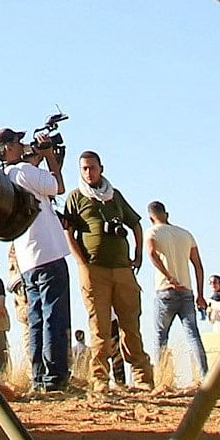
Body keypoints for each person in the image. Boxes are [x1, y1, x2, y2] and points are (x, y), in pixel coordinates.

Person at [0, 127, 72, 391]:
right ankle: (55, 377)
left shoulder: (6, 177)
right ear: (9, 149)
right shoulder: (24, 172)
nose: (23, 143)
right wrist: (49, 156)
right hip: (48, 252)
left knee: (37, 318)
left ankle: (39, 376)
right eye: (18, 141)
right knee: (54, 316)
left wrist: (35, 159)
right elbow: (57, 187)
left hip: (27, 259)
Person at [62, 150, 149, 388]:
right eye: (84, 168)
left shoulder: (115, 196)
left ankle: (142, 377)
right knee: (99, 327)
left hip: (122, 268)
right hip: (94, 269)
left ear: (101, 168)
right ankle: (100, 378)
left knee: (130, 324)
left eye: (92, 167)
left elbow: (136, 223)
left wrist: (138, 254)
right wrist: (82, 263)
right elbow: (68, 232)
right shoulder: (76, 197)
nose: (89, 172)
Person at [142, 201, 209, 389]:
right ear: (167, 213)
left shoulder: (152, 232)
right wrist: (201, 294)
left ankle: (163, 379)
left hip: (166, 290)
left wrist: (168, 276)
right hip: (186, 291)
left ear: (150, 217)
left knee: (160, 336)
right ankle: (206, 377)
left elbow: (151, 253)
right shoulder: (185, 234)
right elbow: (198, 265)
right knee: (193, 335)